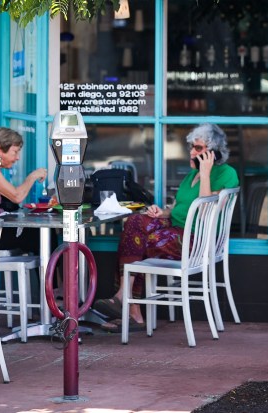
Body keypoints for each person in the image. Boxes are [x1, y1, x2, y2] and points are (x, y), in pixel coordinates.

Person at [93, 123, 239, 332]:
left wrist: (206, 173)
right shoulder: (192, 175)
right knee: (135, 222)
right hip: (177, 227)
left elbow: (207, 209)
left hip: (197, 239)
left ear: (213, 152)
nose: (191, 152)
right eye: (192, 147)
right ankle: (129, 305)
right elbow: (181, 206)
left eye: (198, 148)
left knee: (143, 241)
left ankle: (128, 305)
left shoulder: (226, 173)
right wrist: (163, 212)